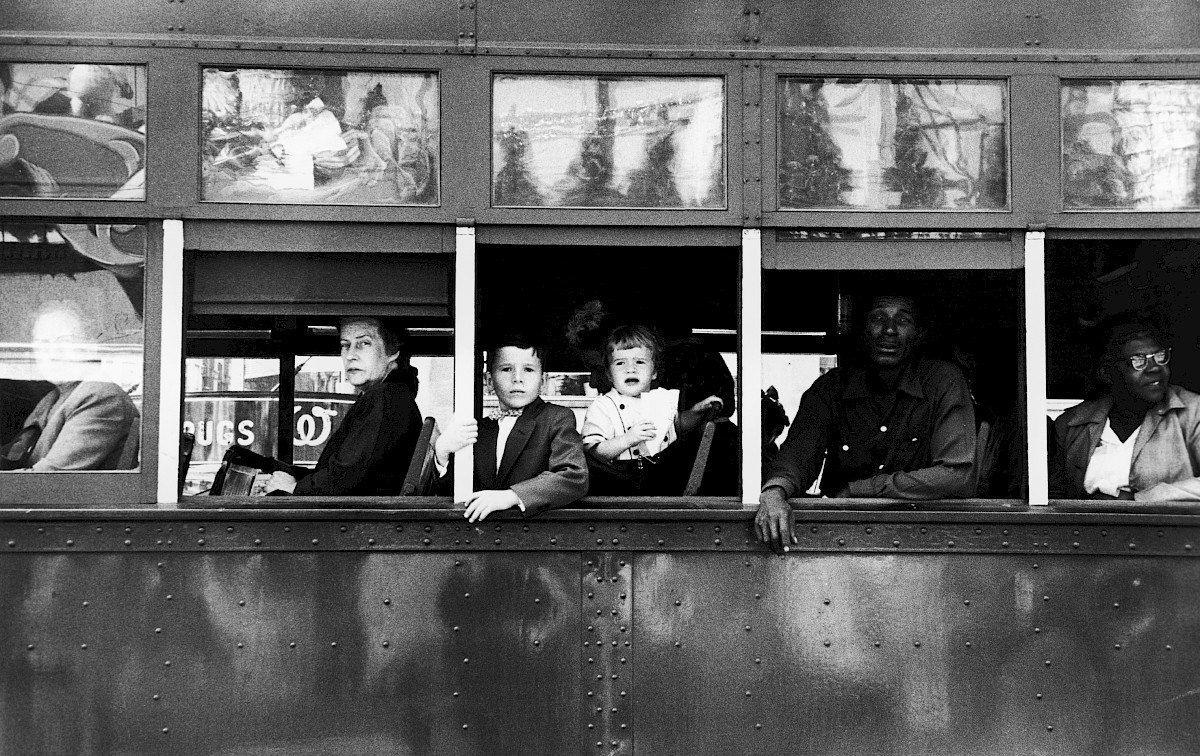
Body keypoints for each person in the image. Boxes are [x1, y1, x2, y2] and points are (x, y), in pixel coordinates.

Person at [756, 293, 977, 552]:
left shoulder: (943, 381)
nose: (889, 330)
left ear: (919, 335)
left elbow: (958, 475)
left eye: (903, 320)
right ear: (862, 331)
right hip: (840, 539)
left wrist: (857, 490)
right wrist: (774, 493)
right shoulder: (831, 389)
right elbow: (796, 457)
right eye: (878, 318)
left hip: (923, 540)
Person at [434, 335, 588, 521]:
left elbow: (573, 477)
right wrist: (442, 453)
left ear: (544, 381)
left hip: (537, 536)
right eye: (506, 369)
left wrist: (511, 496)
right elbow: (454, 494)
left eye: (528, 370)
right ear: (489, 381)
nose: (517, 379)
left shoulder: (556, 418)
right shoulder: (480, 429)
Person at [264, 316, 421, 495]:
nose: (350, 356)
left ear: (392, 351)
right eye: (345, 345)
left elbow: (346, 477)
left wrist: (293, 487)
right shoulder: (392, 395)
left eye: (363, 344)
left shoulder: (386, 396)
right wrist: (289, 474)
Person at [1050, 322, 1200, 501]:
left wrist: (1148, 498)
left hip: (1164, 528)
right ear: (1108, 373)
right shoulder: (1073, 424)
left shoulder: (1192, 412)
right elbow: (1053, 496)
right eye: (1138, 360)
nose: (1155, 367)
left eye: (1160, 356)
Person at [581, 324, 723, 494]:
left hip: (659, 475)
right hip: (619, 479)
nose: (630, 369)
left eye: (639, 362)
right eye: (620, 363)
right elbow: (596, 451)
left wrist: (696, 411)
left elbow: (676, 427)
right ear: (609, 375)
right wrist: (628, 439)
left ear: (654, 372)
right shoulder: (603, 406)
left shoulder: (660, 399)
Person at [1, 302, 138, 471]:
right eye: (43, 344)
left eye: (64, 341)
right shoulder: (51, 399)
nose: (52, 353)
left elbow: (49, 478)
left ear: (91, 346)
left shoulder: (100, 396)